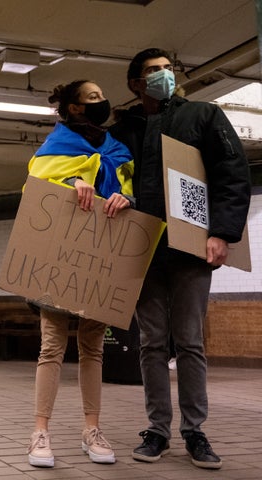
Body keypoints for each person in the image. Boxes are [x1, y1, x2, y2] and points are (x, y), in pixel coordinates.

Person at [109, 47, 251, 470]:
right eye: (154, 71)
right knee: (152, 342)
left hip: (190, 248)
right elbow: (108, 171)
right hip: (143, 248)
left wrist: (223, 233)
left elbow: (231, 172)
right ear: (136, 84)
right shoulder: (124, 129)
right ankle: (157, 430)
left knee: (190, 341)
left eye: (168, 69)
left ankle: (195, 431)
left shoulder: (202, 116)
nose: (163, 76)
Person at [25, 80, 135, 468]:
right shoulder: (55, 146)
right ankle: (40, 432)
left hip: (100, 258)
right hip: (59, 256)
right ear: (73, 108)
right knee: (51, 347)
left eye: (101, 96)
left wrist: (127, 197)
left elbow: (128, 185)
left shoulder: (117, 149)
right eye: (92, 98)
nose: (101, 102)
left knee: (93, 347)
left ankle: (92, 429)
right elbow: (38, 184)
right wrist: (72, 182)